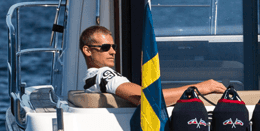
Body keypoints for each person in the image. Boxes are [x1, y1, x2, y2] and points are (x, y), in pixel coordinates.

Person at [80, 25, 226, 107]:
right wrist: (199, 88)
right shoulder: (105, 75)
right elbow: (147, 98)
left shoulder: (91, 79)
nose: (112, 52)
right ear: (87, 50)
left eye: (114, 46)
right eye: (105, 47)